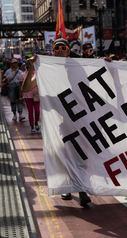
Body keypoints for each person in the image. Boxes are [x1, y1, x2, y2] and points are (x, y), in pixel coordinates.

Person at [32, 38, 93, 206]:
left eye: (62, 47)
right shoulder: (45, 68)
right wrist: (33, 66)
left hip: (79, 119)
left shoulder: (77, 66)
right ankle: (67, 187)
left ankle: (81, 190)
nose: (59, 50)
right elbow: (27, 89)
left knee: (82, 155)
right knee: (64, 155)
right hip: (59, 121)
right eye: (56, 47)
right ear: (52, 50)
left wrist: (108, 64)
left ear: (67, 50)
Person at [19, 58, 40, 133]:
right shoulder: (22, 74)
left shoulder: (37, 73)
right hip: (27, 96)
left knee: (37, 111)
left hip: (36, 95)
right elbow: (21, 86)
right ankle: (32, 126)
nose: (29, 65)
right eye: (27, 63)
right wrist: (20, 96)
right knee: (30, 111)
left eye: (30, 63)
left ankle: (36, 123)